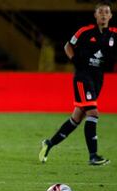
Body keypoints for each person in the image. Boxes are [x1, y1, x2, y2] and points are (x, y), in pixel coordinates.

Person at [39, 0, 117, 166]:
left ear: (110, 15)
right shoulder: (85, 31)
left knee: (77, 117)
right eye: (100, 12)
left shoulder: (114, 34)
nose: (103, 14)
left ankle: (49, 144)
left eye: (106, 12)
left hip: (98, 78)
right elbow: (68, 46)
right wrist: (75, 60)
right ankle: (93, 155)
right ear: (95, 15)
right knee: (93, 113)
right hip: (83, 76)